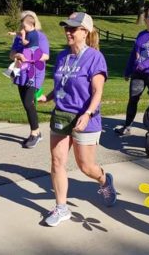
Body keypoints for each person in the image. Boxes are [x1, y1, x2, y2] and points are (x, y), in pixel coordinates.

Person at [39, 12, 116, 227]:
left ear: (86, 32)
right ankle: (61, 208)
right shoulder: (63, 55)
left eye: (74, 28)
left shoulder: (94, 57)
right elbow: (61, 83)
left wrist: (88, 113)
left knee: (85, 166)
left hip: (85, 118)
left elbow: (97, 91)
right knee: (57, 161)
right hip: (62, 115)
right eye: (67, 27)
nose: (68, 31)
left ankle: (103, 180)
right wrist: (49, 96)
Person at [115, 6, 149, 136]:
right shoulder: (141, 35)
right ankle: (127, 127)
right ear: (145, 19)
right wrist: (128, 70)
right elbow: (134, 53)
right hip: (138, 73)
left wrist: (144, 64)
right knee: (133, 99)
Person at [9, 10, 49, 148]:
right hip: (21, 74)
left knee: (28, 102)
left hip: (34, 73)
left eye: (23, 23)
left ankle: (35, 133)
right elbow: (11, 54)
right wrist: (17, 55)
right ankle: (36, 131)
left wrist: (29, 58)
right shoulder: (19, 37)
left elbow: (45, 56)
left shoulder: (40, 37)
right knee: (27, 105)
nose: (22, 27)